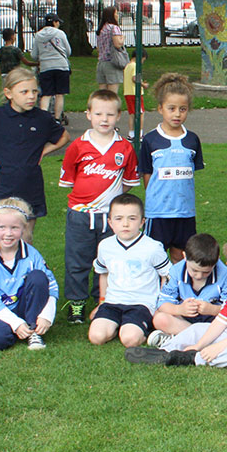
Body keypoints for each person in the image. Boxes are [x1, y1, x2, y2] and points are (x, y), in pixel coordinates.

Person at [124, 231, 227, 368]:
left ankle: (193, 358)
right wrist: (199, 344)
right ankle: (167, 351)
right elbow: (222, 320)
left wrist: (218, 347)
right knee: (197, 329)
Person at [58, 89, 139, 325]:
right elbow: (70, 181)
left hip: (110, 218)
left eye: (110, 115)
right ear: (88, 114)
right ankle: (76, 305)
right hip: (81, 215)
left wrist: (110, 203)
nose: (104, 119)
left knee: (108, 260)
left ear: (119, 116)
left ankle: (103, 301)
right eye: (99, 114)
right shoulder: (77, 146)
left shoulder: (124, 147)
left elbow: (129, 183)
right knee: (77, 260)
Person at [0, 67, 68, 224]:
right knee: (3, 233)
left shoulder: (42, 118)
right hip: (6, 186)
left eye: (35, 92)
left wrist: (43, 151)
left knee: (27, 234)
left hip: (32, 185)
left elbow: (64, 136)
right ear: (9, 93)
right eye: (24, 92)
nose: (31, 96)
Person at [87, 194, 171, 348]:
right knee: (96, 337)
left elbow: (167, 275)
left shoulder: (153, 247)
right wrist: (102, 302)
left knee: (129, 340)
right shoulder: (105, 246)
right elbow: (103, 273)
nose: (125, 224)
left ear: (142, 222)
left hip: (141, 304)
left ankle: (137, 326)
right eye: (119, 219)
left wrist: (160, 305)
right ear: (110, 222)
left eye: (132, 218)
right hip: (113, 302)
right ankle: (117, 324)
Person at [0, 198, 59, 351]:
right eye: (2, 227)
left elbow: (52, 287)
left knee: (38, 276)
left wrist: (46, 316)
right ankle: (20, 328)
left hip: (28, 305)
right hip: (2, 309)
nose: (8, 234)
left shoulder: (32, 255)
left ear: (24, 229)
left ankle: (33, 329)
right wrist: (15, 323)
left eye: (14, 227)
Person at [140, 73, 204, 263]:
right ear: (160, 109)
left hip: (185, 212)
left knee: (181, 256)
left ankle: (178, 292)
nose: (177, 114)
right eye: (172, 108)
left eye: (182, 109)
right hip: (158, 212)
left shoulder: (192, 140)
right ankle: (154, 292)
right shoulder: (151, 140)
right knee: (154, 257)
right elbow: (147, 174)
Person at [150, 233, 227, 346]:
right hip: (185, 319)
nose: (199, 276)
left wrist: (212, 309)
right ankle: (201, 339)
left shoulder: (225, 275)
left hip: (213, 321)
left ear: (216, 261)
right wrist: (179, 309)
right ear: (184, 256)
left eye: (206, 272)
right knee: (159, 318)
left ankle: (182, 339)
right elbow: (163, 303)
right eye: (194, 270)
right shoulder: (175, 271)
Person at [33, 13, 72, 125]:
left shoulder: (38, 36)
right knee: (60, 94)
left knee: (46, 94)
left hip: (46, 67)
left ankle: (43, 118)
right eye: (58, 22)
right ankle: (57, 118)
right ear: (55, 22)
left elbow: (34, 55)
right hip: (61, 66)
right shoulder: (60, 34)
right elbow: (68, 51)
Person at [95, 7, 126, 95]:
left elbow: (98, 47)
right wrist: (122, 38)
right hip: (112, 62)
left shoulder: (101, 29)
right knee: (112, 93)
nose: (117, 15)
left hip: (101, 62)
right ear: (111, 15)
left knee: (102, 93)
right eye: (116, 13)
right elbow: (117, 44)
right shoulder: (114, 28)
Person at [122, 48, 148, 139]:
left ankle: (131, 133)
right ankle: (140, 133)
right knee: (141, 113)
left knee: (132, 114)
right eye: (143, 60)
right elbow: (134, 78)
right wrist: (143, 84)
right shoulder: (135, 66)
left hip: (127, 92)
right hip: (135, 93)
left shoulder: (127, 66)